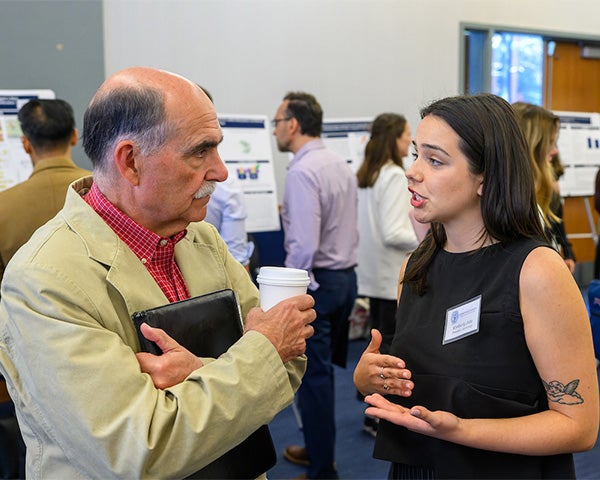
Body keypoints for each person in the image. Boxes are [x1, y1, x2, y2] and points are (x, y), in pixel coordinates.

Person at [0, 67, 316, 479]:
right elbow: (139, 449)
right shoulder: (44, 279)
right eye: (200, 151)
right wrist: (261, 355)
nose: (221, 171)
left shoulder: (204, 240)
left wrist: (203, 372)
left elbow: (290, 356)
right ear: (131, 162)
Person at [353, 93, 599, 479]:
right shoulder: (415, 267)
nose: (413, 171)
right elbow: (423, 383)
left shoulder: (536, 272)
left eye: (434, 160)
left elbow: (579, 426)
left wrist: (462, 430)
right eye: (416, 154)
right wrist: (371, 377)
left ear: (485, 178)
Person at [0, 98, 90, 479]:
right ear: (74, 136)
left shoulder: (4, 207)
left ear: (25, 143)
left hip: (25, 365)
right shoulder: (108, 195)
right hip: (110, 358)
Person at [273, 91, 358, 479]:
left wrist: (288, 297)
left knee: (313, 379)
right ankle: (316, 450)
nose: (275, 129)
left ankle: (323, 468)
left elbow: (303, 246)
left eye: (277, 121)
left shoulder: (303, 171)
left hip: (317, 286)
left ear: (292, 125)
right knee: (322, 374)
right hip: (344, 279)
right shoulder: (338, 162)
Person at [355, 113, 419, 437]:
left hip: (372, 274)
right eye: (407, 134)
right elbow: (396, 232)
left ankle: (373, 412)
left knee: (378, 348)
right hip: (389, 274)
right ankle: (380, 416)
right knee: (391, 350)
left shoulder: (370, 174)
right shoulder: (394, 175)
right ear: (394, 137)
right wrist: (431, 235)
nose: (410, 141)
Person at [513, 102, 576, 274]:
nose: (555, 151)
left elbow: (556, 224)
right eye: (550, 143)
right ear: (531, 146)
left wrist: (567, 252)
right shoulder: (509, 205)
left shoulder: (544, 190)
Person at [198, 85, 255, 272]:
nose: (220, 174)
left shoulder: (227, 185)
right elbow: (238, 260)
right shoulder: (228, 187)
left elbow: (237, 265)